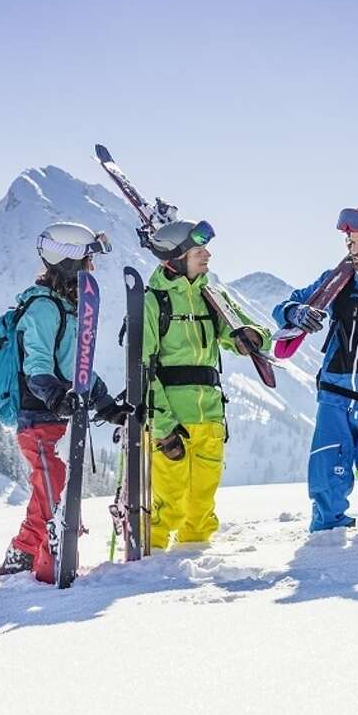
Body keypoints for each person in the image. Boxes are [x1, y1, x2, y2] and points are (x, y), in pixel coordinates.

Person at [0, 222, 128, 583]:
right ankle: (35, 566)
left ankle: (26, 557)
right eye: (89, 259)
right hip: (37, 421)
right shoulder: (43, 309)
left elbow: (79, 367)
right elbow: (37, 362)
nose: (93, 267)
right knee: (53, 492)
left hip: (56, 420)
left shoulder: (68, 309)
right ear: (69, 261)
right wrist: (55, 396)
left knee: (51, 492)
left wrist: (107, 407)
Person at [273, 205, 358, 532]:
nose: (353, 250)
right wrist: (296, 313)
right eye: (350, 243)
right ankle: (326, 538)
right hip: (335, 395)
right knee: (326, 474)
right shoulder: (339, 281)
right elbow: (285, 306)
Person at [143, 218, 268, 550]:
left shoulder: (212, 295)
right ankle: (144, 567)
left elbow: (250, 333)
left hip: (210, 418)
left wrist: (251, 337)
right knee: (168, 506)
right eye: (199, 251)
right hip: (172, 421)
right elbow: (142, 370)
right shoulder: (153, 302)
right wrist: (163, 426)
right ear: (177, 257)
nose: (207, 255)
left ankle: (193, 573)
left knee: (200, 508)